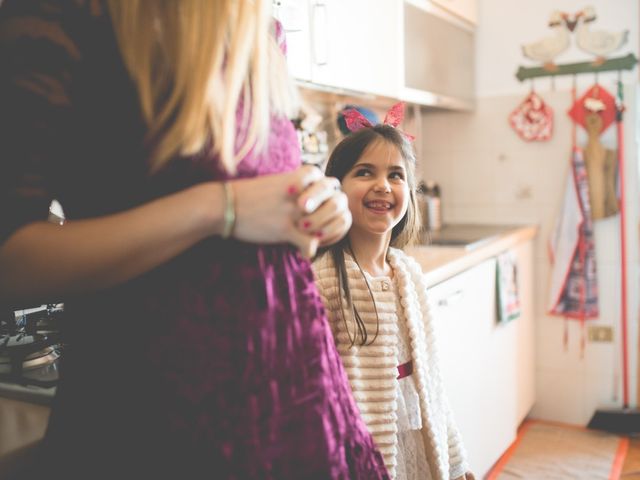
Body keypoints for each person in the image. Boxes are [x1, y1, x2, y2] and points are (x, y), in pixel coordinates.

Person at [0, 1, 389, 478]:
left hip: (300, 401)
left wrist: (313, 215)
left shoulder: (259, 30)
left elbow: (269, 230)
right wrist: (216, 208)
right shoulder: (64, 18)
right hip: (156, 417)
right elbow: (12, 261)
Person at [312, 103, 474, 480]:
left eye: (396, 175)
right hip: (361, 454)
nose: (383, 185)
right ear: (336, 187)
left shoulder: (409, 275)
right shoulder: (323, 281)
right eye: (365, 172)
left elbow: (431, 383)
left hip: (417, 438)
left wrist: (456, 460)